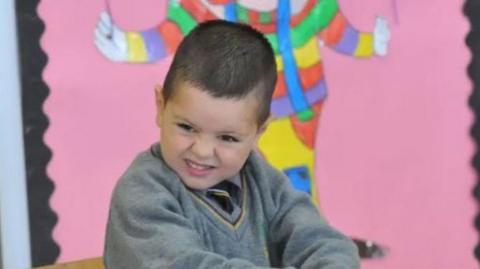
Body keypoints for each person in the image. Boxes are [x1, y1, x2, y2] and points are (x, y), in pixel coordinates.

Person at [104, 20, 359, 269]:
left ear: (258, 132)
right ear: (161, 107)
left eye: (227, 138)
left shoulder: (262, 181)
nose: (202, 151)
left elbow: (324, 242)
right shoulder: (142, 192)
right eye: (186, 127)